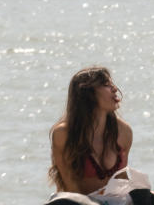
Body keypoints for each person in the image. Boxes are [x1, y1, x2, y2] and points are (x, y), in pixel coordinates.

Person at [49, 66, 135, 195]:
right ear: (88, 94)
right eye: (106, 85)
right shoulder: (64, 134)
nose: (115, 89)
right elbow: (70, 186)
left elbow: (122, 181)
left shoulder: (123, 132)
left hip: (116, 204)